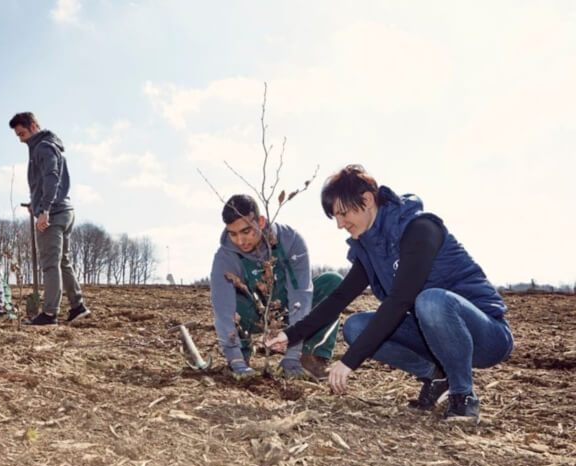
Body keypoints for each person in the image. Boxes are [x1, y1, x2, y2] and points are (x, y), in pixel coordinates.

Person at [267, 165, 513, 422]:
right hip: (434, 337)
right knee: (356, 327)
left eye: (343, 213)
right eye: (335, 217)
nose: (340, 224)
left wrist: (349, 362)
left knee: (431, 301)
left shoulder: (420, 229)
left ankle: (463, 395)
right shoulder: (370, 248)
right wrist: (290, 334)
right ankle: (437, 377)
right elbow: (339, 298)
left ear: (367, 199)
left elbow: (399, 301)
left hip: (487, 336)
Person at [210, 194, 343, 381]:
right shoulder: (225, 257)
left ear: (261, 222)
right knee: (229, 300)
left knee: (333, 282)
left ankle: (309, 358)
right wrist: (235, 359)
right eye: (233, 234)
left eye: (246, 231)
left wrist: (292, 355)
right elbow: (223, 309)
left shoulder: (290, 241)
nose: (240, 241)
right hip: (253, 315)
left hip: (290, 311)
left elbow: (301, 295)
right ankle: (242, 357)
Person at [9, 111, 90, 326]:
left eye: (23, 133)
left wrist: (44, 209)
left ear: (34, 125)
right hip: (65, 211)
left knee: (50, 264)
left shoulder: (43, 147)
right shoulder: (49, 145)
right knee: (63, 261)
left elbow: (51, 177)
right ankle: (77, 306)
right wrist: (36, 205)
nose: (21, 139)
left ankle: (49, 314)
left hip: (53, 214)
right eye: (18, 135)